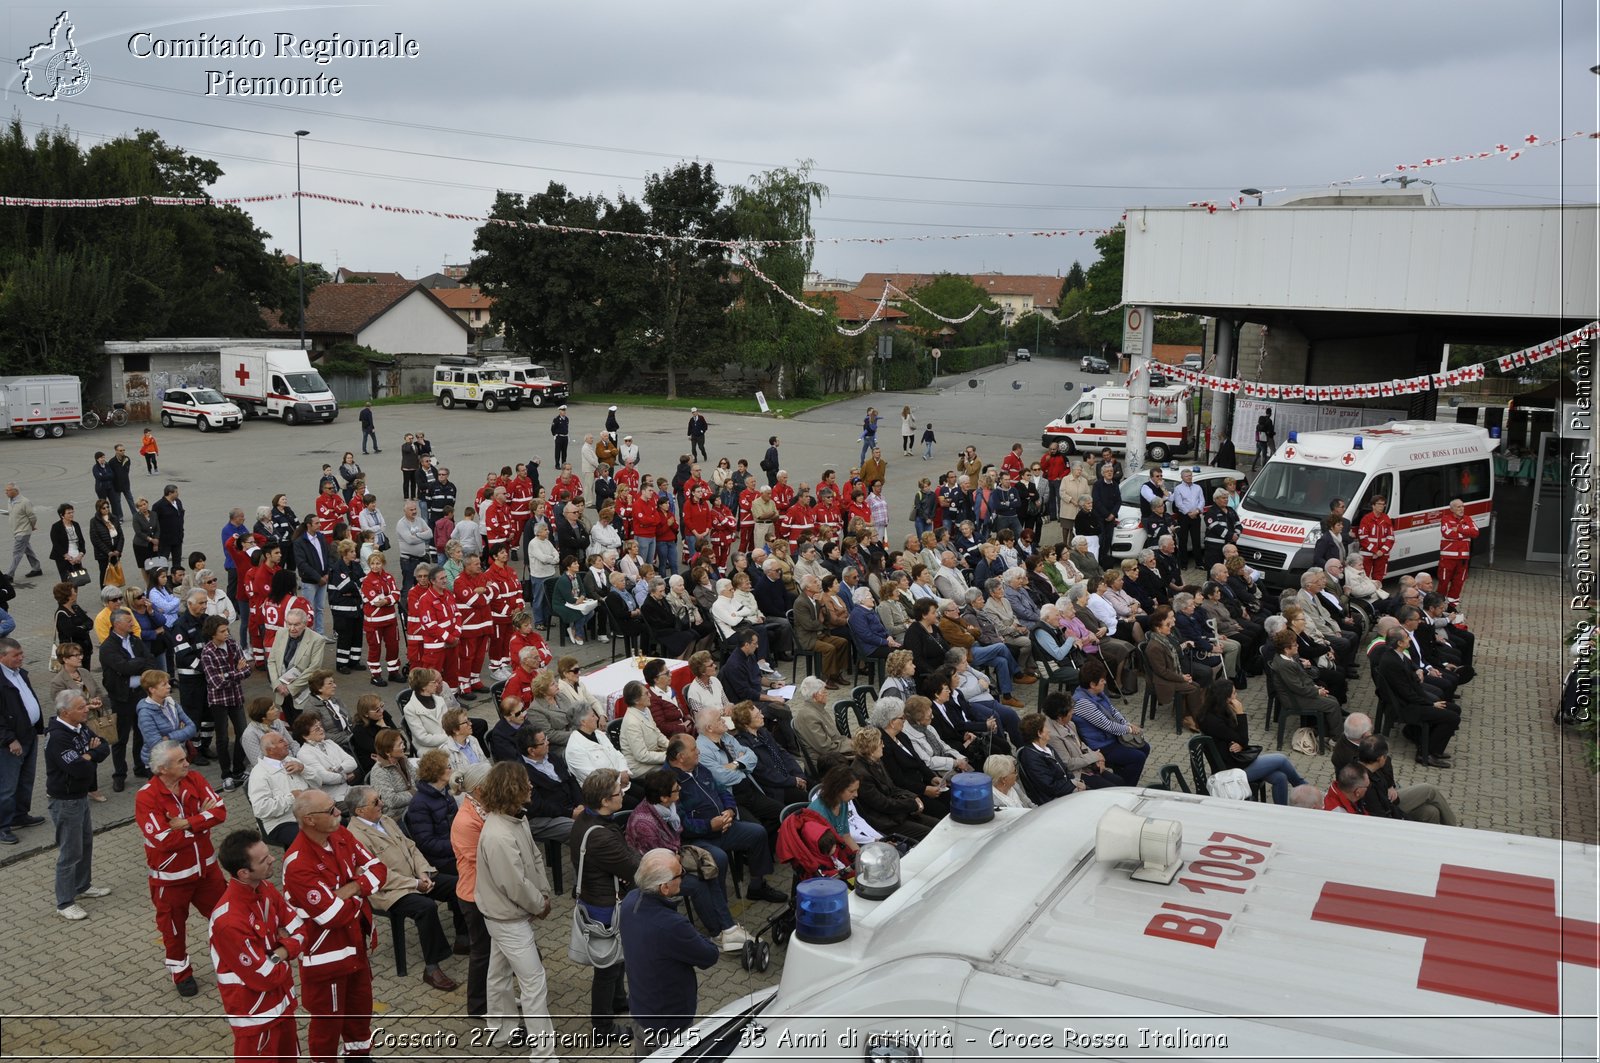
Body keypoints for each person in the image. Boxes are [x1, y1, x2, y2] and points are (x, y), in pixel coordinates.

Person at [474, 761, 560, 1056]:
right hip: (506, 919)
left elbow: (535, 857)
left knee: (498, 974)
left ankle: (500, 1031)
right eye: (526, 781)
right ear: (513, 789)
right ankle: (544, 1055)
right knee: (534, 983)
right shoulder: (497, 835)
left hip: (509, 914)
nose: (531, 785)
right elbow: (514, 884)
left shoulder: (518, 818)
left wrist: (544, 892)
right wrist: (538, 903)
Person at [347, 785, 464, 992]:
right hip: (388, 891)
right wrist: (414, 884)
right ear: (359, 811)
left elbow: (411, 847)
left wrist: (423, 873)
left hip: (415, 877)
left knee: (458, 885)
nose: (382, 803)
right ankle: (432, 967)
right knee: (425, 907)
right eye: (376, 801)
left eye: (381, 797)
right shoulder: (355, 837)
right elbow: (377, 874)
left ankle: (464, 938)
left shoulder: (386, 820)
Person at [136, 740, 227, 995]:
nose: (187, 763)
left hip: (208, 872)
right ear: (163, 769)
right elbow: (163, 840)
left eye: (185, 759)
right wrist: (202, 823)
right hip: (171, 880)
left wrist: (187, 823)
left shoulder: (195, 779)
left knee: (225, 918)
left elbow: (220, 812)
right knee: (173, 929)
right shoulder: (146, 797)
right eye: (180, 761)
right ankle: (181, 974)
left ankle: (232, 960)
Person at [209, 829, 306, 1062]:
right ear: (244, 873)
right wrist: (286, 949)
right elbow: (265, 976)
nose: (273, 859)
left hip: (282, 1006)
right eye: (264, 860)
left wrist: (277, 952)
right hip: (256, 1019)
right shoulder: (229, 921)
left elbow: (301, 930)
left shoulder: (265, 889)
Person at [620, 848, 722, 1055]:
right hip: (667, 1021)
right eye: (680, 873)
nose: (683, 875)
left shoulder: (630, 900)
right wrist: (691, 932)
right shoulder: (672, 926)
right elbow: (710, 955)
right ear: (664, 887)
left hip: (641, 1007)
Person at [666, 733, 787, 902]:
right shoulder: (668, 781)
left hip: (724, 826)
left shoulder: (699, 768)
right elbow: (680, 823)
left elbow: (722, 789)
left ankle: (757, 886)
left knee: (758, 832)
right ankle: (719, 907)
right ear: (680, 757)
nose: (698, 751)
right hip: (698, 839)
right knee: (719, 858)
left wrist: (730, 809)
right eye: (694, 749)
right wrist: (710, 825)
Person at [568, 769, 637, 1045]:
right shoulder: (601, 836)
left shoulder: (587, 818)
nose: (622, 795)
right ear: (605, 801)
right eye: (618, 793)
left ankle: (618, 1001)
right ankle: (602, 1027)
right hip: (604, 906)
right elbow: (632, 866)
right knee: (606, 969)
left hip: (598, 899)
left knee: (616, 958)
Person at [45, 690, 112, 920]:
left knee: (85, 844)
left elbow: (104, 745)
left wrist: (88, 754)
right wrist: (91, 755)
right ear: (66, 712)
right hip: (65, 801)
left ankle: (83, 886)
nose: (87, 710)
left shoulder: (80, 727)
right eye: (81, 707)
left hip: (80, 796)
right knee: (70, 852)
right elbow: (78, 768)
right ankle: (64, 903)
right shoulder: (58, 737)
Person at [1193, 680, 1308, 805]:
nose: (1236, 696)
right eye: (1234, 693)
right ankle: (1307, 791)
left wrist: (1240, 743)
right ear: (1225, 698)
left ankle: (1282, 810)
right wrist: (1240, 713)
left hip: (1235, 760)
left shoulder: (1216, 712)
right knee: (1281, 759)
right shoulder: (1213, 721)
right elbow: (1243, 739)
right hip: (1230, 771)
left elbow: (1238, 738)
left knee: (1280, 777)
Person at [849, 726, 937, 842]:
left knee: (938, 826)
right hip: (886, 822)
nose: (883, 745)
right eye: (881, 743)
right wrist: (912, 805)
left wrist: (914, 797)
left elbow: (892, 787)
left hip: (897, 813)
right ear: (872, 747)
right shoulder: (861, 774)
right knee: (931, 835)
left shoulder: (875, 760)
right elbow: (883, 804)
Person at [1069, 658, 1147, 786]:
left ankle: (1122, 780)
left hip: (1110, 738)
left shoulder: (1097, 693)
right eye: (1102, 680)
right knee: (1137, 757)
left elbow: (1113, 711)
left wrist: (1126, 723)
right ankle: (1125, 788)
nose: (1105, 682)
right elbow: (1107, 725)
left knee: (1144, 747)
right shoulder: (1082, 702)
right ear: (1092, 684)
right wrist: (1129, 729)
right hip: (1100, 745)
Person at [1267, 627, 1344, 752]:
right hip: (1294, 699)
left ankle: (1326, 734)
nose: (1298, 646)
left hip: (1300, 693)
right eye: (1294, 644)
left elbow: (1302, 678)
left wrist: (1315, 687)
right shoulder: (1284, 665)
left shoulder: (1290, 657)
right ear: (1286, 649)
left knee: (1332, 699)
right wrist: (1317, 691)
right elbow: (1297, 687)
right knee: (1332, 705)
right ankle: (1337, 740)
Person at [0, 638, 47, 843]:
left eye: (21, 653)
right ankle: (3, 826)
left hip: (28, 734)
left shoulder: (20, 673)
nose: (21, 658)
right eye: (16, 655)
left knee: (26, 779)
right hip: (11, 742)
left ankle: (20, 815)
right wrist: (9, 739)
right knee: (8, 785)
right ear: (2, 657)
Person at [248, 732, 308, 848]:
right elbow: (261, 809)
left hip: (306, 814)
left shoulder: (291, 761)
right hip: (280, 823)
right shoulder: (259, 773)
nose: (287, 743)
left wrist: (303, 769)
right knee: (309, 837)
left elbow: (318, 782)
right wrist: (291, 798)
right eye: (281, 741)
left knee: (339, 824)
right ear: (270, 750)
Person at [5, 483, 43, 580]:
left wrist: (32, 526)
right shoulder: (10, 501)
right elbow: (12, 513)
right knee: (27, 550)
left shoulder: (25, 502)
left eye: (8, 490)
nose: (6, 492)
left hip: (23, 531)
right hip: (16, 530)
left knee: (17, 553)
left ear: (15, 491)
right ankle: (37, 569)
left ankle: (9, 575)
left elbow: (32, 516)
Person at [48, 502, 88, 583]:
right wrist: (68, 557)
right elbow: (56, 544)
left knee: (77, 581)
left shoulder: (76, 525)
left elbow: (82, 541)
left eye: (72, 512)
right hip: (63, 558)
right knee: (66, 582)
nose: (71, 514)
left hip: (77, 557)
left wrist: (81, 554)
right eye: (69, 513)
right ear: (62, 515)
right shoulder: (56, 527)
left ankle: (74, 595)